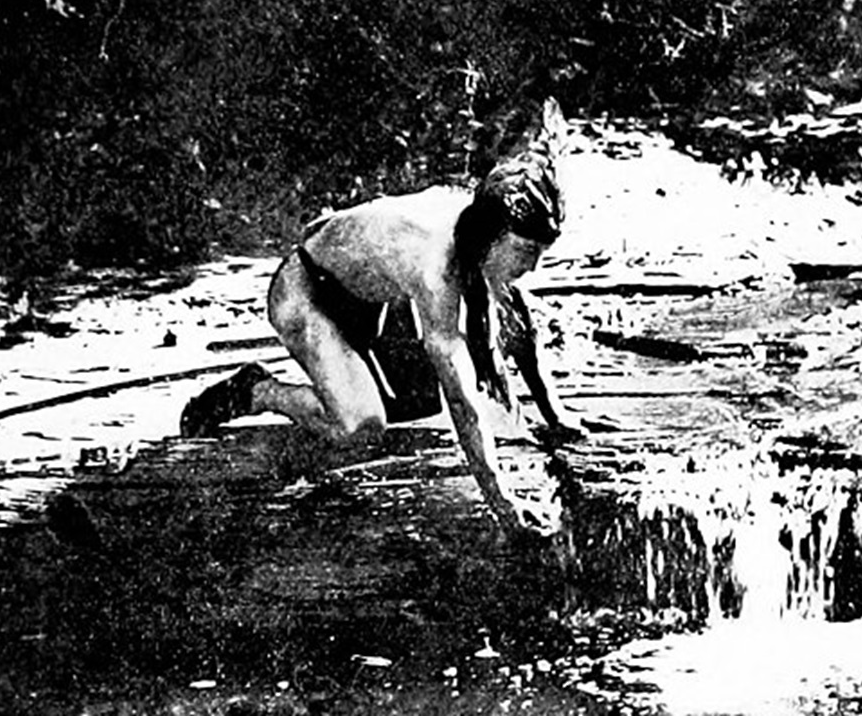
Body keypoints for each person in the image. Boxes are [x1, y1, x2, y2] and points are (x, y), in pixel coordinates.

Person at [180, 98, 582, 534]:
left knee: (421, 402)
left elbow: (517, 323)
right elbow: (463, 401)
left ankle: (346, 380)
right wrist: (503, 503)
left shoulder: (476, 226)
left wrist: (554, 415)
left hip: (369, 298)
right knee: (361, 426)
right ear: (494, 237)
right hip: (306, 292)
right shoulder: (436, 266)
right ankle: (257, 391)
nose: (533, 267)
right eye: (525, 253)